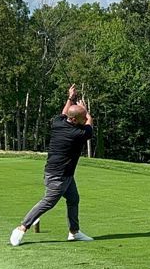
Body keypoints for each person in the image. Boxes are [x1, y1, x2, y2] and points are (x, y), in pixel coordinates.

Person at [10, 84, 95, 246]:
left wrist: (71, 97)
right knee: (48, 202)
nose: (84, 120)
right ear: (75, 120)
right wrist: (85, 110)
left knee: (73, 199)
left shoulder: (58, 122)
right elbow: (90, 123)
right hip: (58, 176)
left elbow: (65, 112)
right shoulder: (78, 133)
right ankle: (21, 228)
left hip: (65, 174)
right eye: (82, 118)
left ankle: (74, 232)